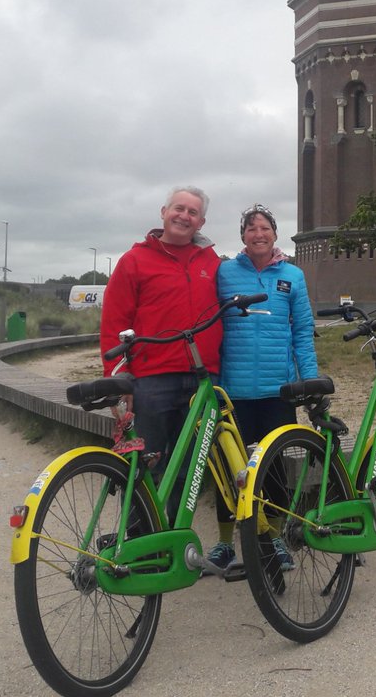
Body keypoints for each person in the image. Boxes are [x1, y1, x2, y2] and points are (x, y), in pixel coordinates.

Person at [100, 186, 223, 519]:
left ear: (201, 222)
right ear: (163, 212)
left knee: (189, 468)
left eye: (192, 212)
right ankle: (138, 546)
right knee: (146, 466)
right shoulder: (134, 260)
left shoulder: (211, 261)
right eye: (178, 208)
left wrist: (277, 259)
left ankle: (175, 539)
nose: (184, 216)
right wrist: (117, 381)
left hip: (202, 379)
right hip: (152, 380)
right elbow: (114, 322)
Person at [208, 203, 318, 571]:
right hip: (232, 392)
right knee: (228, 472)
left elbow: (303, 332)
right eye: (251, 228)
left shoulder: (293, 276)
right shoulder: (224, 273)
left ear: (275, 234)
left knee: (272, 471)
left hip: (278, 391)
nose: (259, 234)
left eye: (265, 228)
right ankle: (225, 544)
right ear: (242, 236)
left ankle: (274, 540)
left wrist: (311, 381)